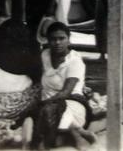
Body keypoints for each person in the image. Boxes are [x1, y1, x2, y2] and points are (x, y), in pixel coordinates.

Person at [33, 22, 95, 150]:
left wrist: (42, 104)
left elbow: (65, 93)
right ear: (48, 41)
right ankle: (76, 131)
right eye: (53, 39)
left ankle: (75, 131)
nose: (57, 43)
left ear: (68, 39)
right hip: (49, 102)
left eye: (62, 38)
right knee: (47, 119)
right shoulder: (44, 55)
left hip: (72, 103)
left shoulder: (74, 61)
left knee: (50, 113)